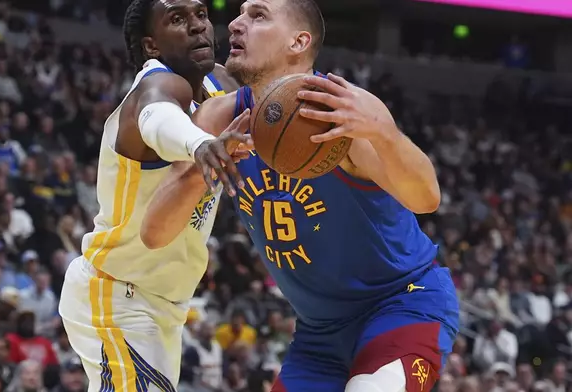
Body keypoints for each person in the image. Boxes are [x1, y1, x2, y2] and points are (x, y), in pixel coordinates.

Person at [140, 0, 459, 390]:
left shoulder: (341, 110)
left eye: (258, 15)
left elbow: (427, 198)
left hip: (401, 304)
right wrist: (206, 165)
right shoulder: (219, 118)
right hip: (318, 331)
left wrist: (383, 133)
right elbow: (153, 234)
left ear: (299, 41)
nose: (237, 24)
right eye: (240, 13)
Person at [58, 0, 253, 390]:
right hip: (116, 295)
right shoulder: (154, 85)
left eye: (200, 14)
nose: (198, 26)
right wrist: (200, 144)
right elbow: (157, 115)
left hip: (163, 304)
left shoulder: (219, 85)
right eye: (177, 19)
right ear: (151, 45)